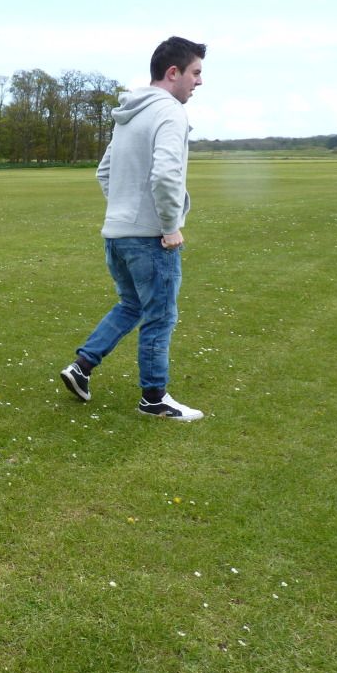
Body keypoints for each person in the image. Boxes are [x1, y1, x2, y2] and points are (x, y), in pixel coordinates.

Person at [60, 36, 207, 421]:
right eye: (195, 73)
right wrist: (169, 225)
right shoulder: (170, 113)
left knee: (133, 305)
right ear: (173, 72)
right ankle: (154, 399)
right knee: (160, 315)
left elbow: (104, 172)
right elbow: (166, 174)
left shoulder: (128, 114)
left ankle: (82, 367)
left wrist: (124, 212)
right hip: (149, 237)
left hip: (117, 234)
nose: (199, 82)